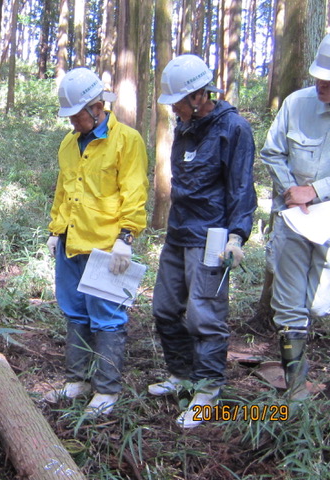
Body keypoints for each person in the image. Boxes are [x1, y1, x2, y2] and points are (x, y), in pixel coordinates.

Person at [149, 54, 257, 428]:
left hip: (212, 238)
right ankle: (181, 374)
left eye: (178, 101)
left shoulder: (234, 129)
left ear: (198, 96)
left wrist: (237, 235)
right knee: (164, 308)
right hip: (178, 234)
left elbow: (242, 187)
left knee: (205, 318)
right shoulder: (185, 126)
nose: (174, 109)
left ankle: (208, 391)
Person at [43, 67, 149, 417]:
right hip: (71, 241)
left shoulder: (127, 140)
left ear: (96, 107)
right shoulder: (68, 143)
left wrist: (126, 237)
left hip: (106, 246)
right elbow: (63, 189)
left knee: (107, 317)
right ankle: (78, 379)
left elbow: (134, 191)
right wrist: (55, 229)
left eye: (76, 115)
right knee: (74, 310)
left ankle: (106, 389)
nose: (72, 122)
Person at [260, 34, 330, 401]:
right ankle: (297, 391)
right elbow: (272, 152)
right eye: (319, 76)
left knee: (318, 304)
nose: (321, 84)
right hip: (292, 219)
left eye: (329, 81)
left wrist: (316, 191)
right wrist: (292, 191)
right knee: (288, 307)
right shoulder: (297, 104)